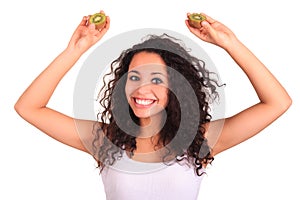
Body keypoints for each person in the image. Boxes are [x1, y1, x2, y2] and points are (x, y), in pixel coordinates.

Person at [14, 11, 292, 200]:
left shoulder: (199, 141)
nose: (142, 88)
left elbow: (277, 102)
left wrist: (230, 43)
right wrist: (74, 50)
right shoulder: (105, 141)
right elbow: (29, 107)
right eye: (134, 76)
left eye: (156, 79)